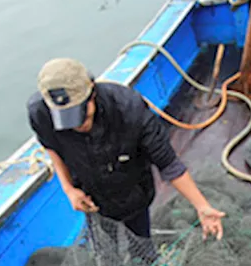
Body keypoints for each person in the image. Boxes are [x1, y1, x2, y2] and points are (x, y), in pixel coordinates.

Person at [27, 57, 225, 255]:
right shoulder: (40, 112)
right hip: (92, 195)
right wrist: (69, 189)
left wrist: (202, 206)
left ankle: (146, 262)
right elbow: (51, 147)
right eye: (68, 120)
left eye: (82, 116)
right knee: (105, 250)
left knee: (141, 246)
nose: (78, 126)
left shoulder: (130, 109)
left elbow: (169, 164)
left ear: (92, 92)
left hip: (132, 190)